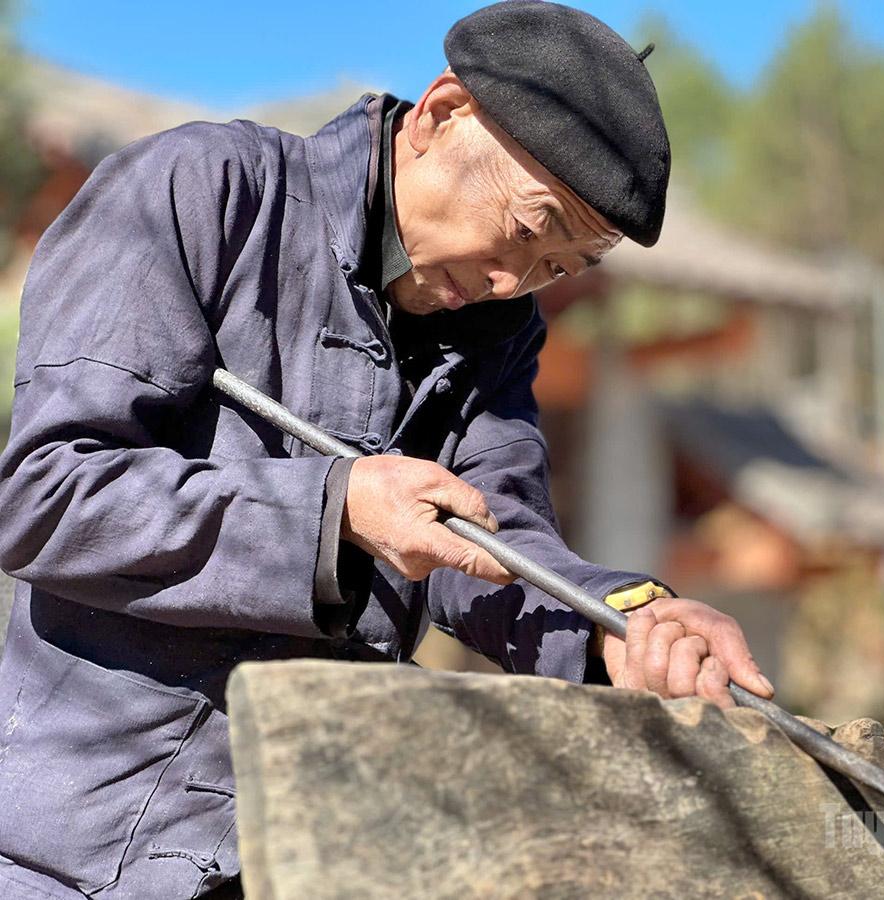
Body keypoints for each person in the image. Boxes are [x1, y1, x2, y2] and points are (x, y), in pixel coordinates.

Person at [0, 2, 773, 897]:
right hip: (79, 851)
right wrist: (335, 511)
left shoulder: (496, 332)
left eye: (559, 270)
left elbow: (493, 544)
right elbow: (44, 495)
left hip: (309, 848)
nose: (511, 282)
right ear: (443, 115)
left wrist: (625, 625)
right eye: (527, 231)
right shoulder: (201, 189)